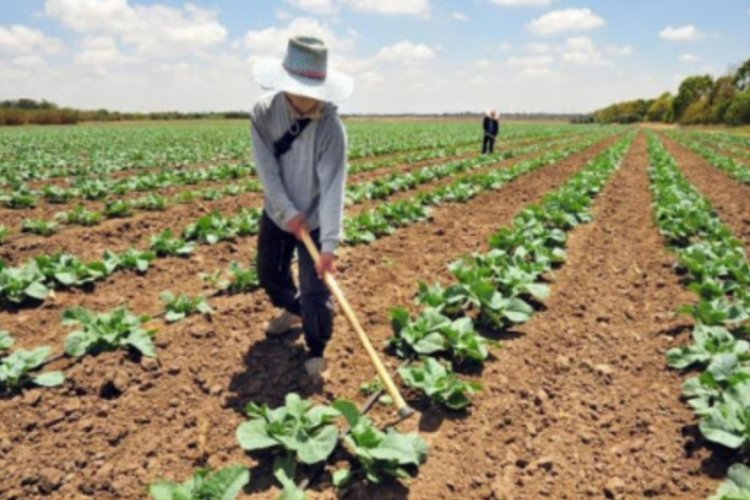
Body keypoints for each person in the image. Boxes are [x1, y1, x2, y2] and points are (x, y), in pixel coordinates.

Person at [249, 36, 354, 380]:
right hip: (279, 213)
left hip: (316, 217)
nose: (306, 98)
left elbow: (332, 187)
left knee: (315, 288)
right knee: (269, 273)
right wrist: (287, 213)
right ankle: (294, 311)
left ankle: (317, 349)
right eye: (298, 88)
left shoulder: (330, 128)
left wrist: (329, 247)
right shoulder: (264, 113)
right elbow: (268, 171)